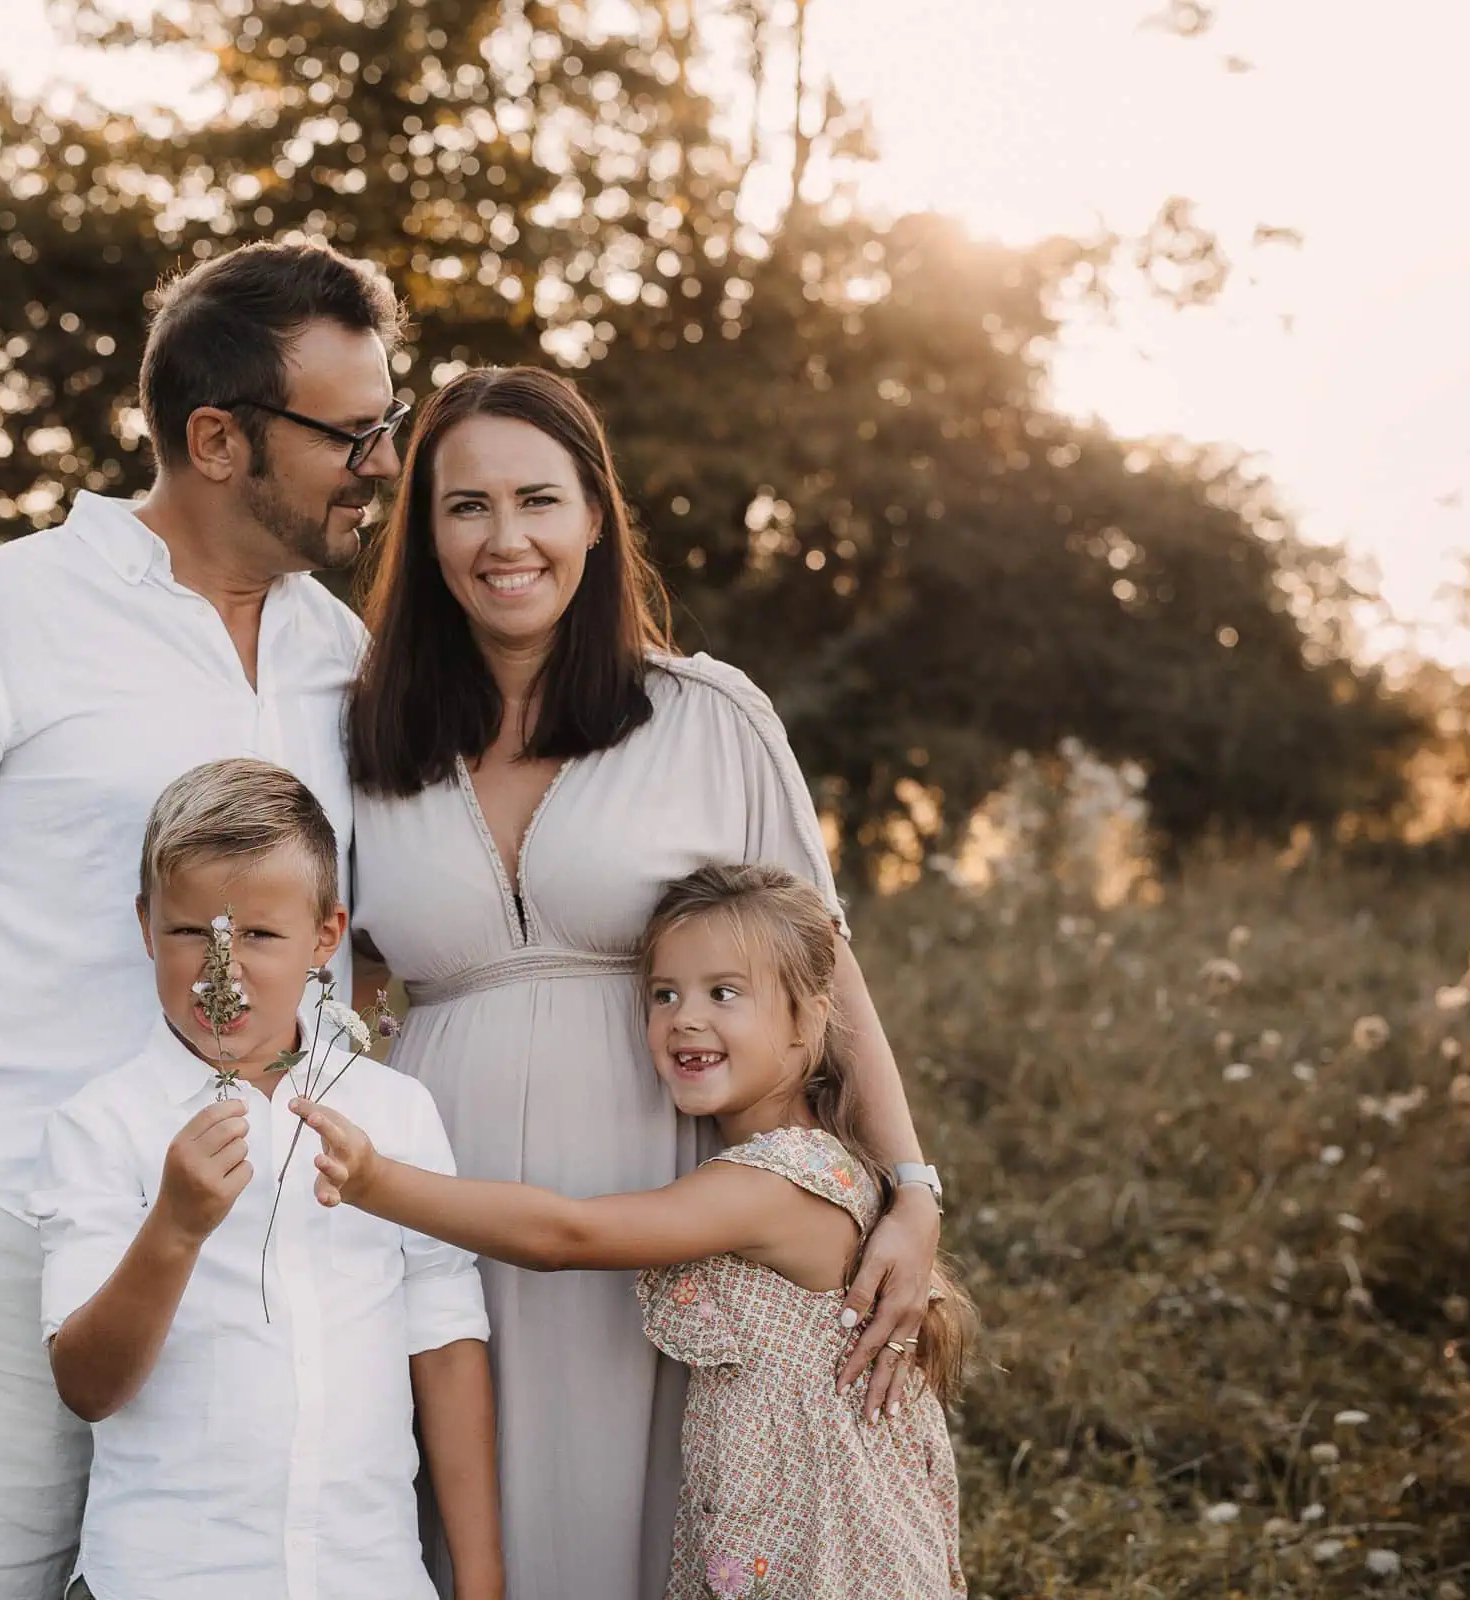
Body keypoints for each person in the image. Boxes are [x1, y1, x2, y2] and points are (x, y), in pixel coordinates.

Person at [0, 240, 409, 1598]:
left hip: (270, 1249)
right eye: (352, 434)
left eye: (390, 425)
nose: (384, 463)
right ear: (219, 438)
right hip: (10, 1230)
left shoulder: (340, 658)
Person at [344, 366, 949, 1598]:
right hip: (432, 1191)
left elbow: (823, 966)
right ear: (426, 532)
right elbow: (320, 964)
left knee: (655, 1528)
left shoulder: (706, 714)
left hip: (657, 1202)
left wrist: (914, 1190)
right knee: (449, 1527)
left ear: (595, 519)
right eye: (466, 507)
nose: (505, 540)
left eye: (538, 500)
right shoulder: (366, 736)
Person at [297, 862, 973, 1600]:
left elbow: (568, 1237)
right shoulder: (810, 1164)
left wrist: (377, 1182)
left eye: (724, 993)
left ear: (808, 1020)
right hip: (792, 1537)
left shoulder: (778, 1182)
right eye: (663, 994)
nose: (684, 1016)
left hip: (824, 1555)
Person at [37, 759, 501, 1600]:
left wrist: (481, 1577)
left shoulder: (395, 1111)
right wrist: (174, 1228)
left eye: (258, 934)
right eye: (190, 935)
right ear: (146, 927)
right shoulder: (102, 1125)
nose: (224, 969)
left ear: (326, 937)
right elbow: (87, 1386)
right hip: (164, 1578)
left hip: (368, 1575)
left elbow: (442, 1336)